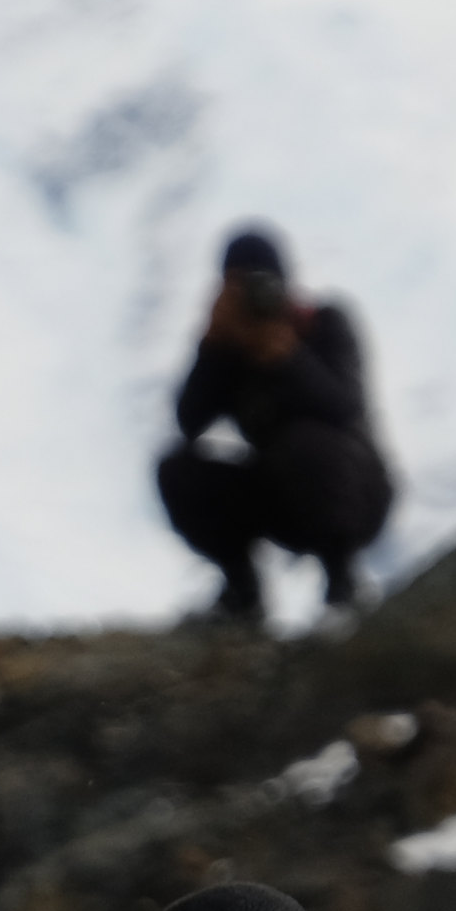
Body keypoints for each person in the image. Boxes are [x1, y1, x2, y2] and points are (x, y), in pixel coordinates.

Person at [156, 227, 393, 625]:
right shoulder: (229, 353)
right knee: (178, 470)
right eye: (237, 286)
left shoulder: (325, 323)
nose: (253, 296)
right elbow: (187, 422)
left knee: (300, 443)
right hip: (281, 497)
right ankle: (242, 597)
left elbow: (344, 407)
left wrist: (286, 356)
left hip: (355, 491)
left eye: (262, 283)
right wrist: (213, 348)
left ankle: (344, 588)